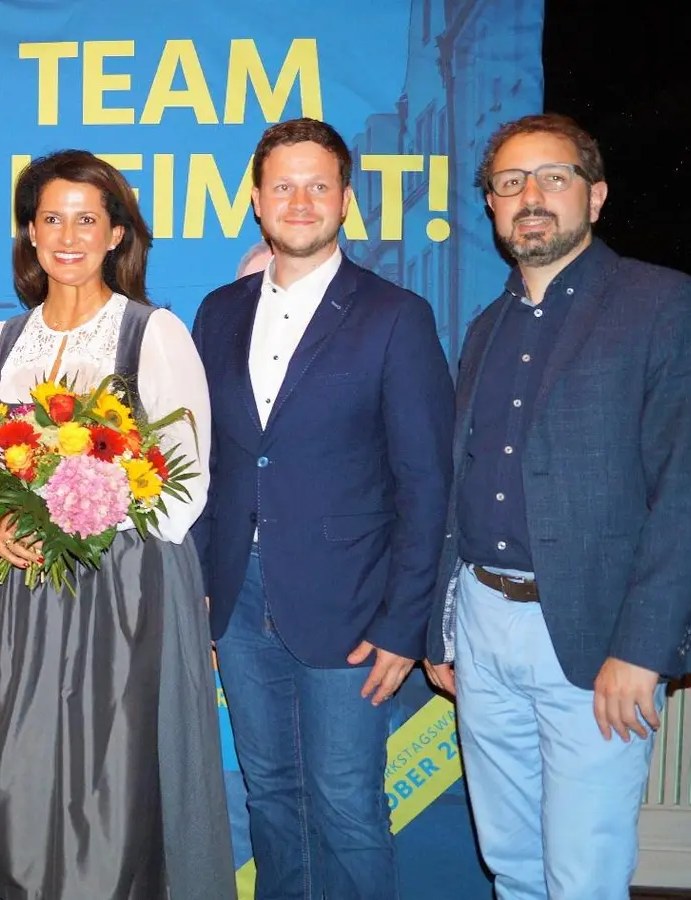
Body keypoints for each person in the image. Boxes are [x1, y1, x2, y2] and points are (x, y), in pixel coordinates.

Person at [423, 113, 691, 900]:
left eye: (553, 177)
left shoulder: (665, 305)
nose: (531, 196)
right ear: (490, 206)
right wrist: (443, 627)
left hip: (598, 638)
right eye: (510, 182)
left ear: (594, 196)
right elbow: (460, 489)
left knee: (583, 873)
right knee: (513, 862)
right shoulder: (486, 328)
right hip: (484, 630)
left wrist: (642, 648)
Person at [0, 149, 233, 900]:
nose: (67, 236)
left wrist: (88, 517)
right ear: (29, 234)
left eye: (87, 219)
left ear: (116, 235)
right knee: (12, 772)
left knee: (112, 782)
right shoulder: (0, 343)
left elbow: (186, 478)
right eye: (51, 219)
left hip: (121, 596)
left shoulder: (154, 334)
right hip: (16, 597)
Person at [190, 118, 455, 900]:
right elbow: (207, 464)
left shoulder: (393, 316)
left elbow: (426, 485)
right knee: (270, 795)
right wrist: (205, 590)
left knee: (346, 805)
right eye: (283, 185)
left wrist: (404, 624)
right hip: (238, 603)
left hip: (352, 608)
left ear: (344, 200)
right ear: (256, 200)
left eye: (317, 185)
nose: (299, 201)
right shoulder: (219, 311)